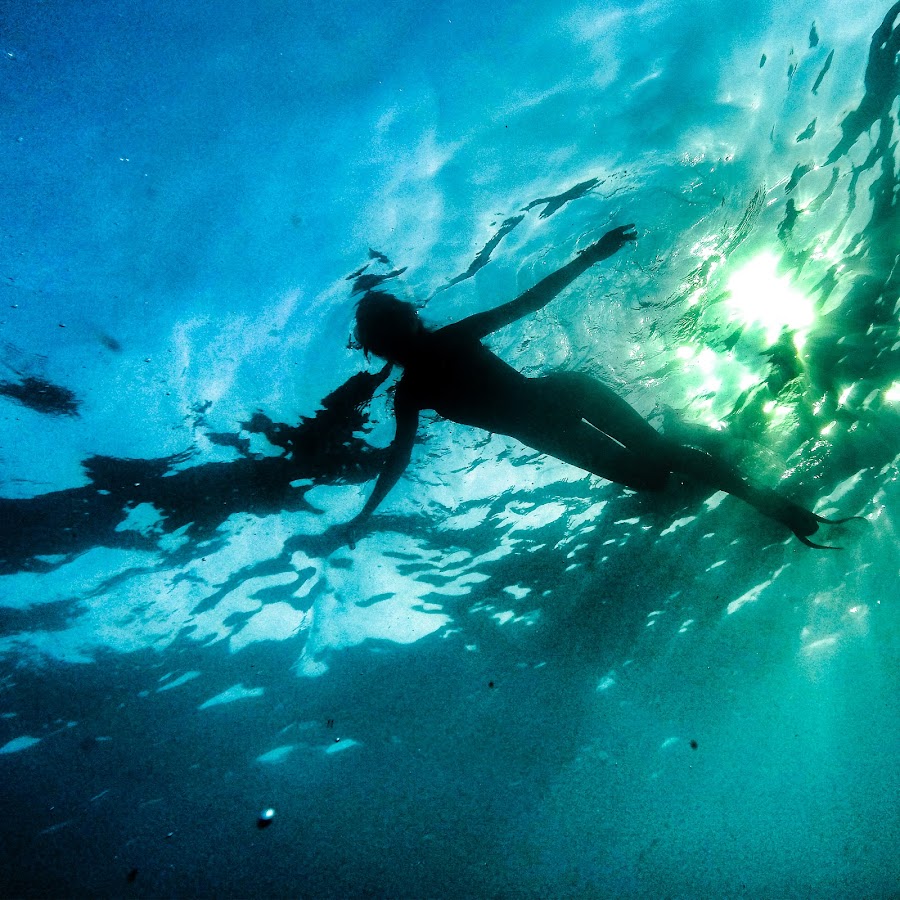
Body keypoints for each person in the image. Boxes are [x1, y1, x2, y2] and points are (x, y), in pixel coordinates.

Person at [339, 225, 855, 549]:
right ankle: (721, 464)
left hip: (558, 403)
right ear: (398, 329)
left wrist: (592, 255)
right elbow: (399, 458)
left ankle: (774, 505)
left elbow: (529, 302)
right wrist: (365, 513)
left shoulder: (423, 374)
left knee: (659, 459)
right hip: (552, 421)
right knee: (655, 472)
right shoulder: (417, 382)